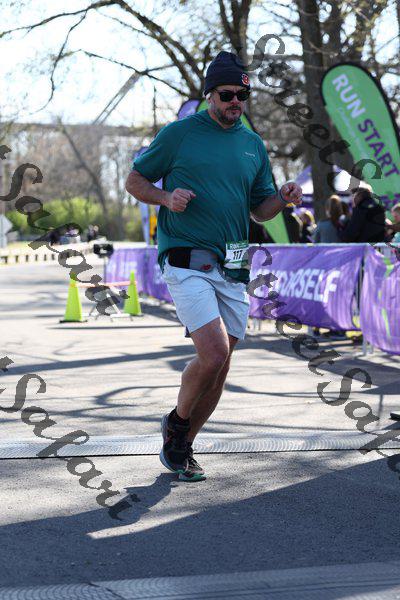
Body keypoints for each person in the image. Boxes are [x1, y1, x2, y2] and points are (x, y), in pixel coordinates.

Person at [125, 51, 302, 482]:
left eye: (243, 95)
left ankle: (182, 444)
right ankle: (177, 424)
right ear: (209, 95)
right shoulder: (180, 134)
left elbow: (260, 211)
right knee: (215, 352)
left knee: (220, 367)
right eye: (227, 94)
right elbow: (134, 180)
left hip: (233, 266)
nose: (235, 101)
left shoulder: (252, 144)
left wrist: (282, 198)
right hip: (186, 258)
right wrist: (165, 198)